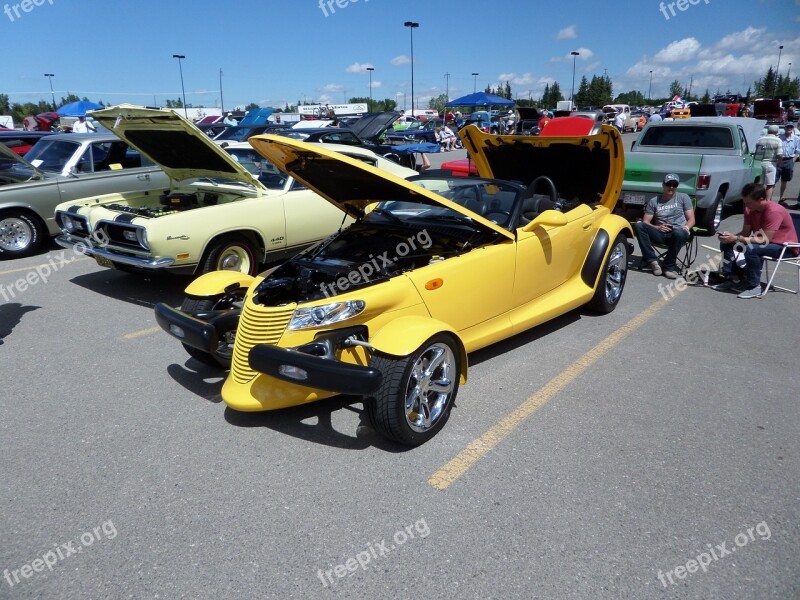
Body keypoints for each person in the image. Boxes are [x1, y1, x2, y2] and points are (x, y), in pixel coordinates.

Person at [714, 182, 799, 298]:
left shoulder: (774, 211)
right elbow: (745, 234)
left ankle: (754, 286)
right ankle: (733, 278)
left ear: (761, 199)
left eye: (749, 203)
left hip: (784, 247)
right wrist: (730, 237)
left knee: (752, 248)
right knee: (728, 244)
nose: (747, 206)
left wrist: (737, 238)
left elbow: (765, 239)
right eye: (745, 203)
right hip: (765, 243)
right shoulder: (750, 210)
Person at [633, 173, 695, 279]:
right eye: (668, 184)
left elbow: (691, 219)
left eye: (674, 185)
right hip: (660, 233)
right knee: (639, 226)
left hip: (677, 233)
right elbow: (646, 221)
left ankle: (668, 267)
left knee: (679, 233)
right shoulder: (654, 201)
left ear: (677, 186)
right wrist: (657, 227)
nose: (671, 187)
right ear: (663, 185)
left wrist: (686, 227)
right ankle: (652, 261)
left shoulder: (683, 197)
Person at [755, 124, 783, 201]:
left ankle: (758, 199)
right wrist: (779, 163)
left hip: (760, 162)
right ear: (776, 132)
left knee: (760, 184)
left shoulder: (760, 139)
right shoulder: (778, 140)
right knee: (770, 184)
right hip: (771, 163)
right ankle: (767, 201)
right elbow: (779, 154)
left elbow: (755, 152)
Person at [777, 122, 799, 205]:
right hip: (779, 159)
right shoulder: (779, 137)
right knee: (774, 179)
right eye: (787, 127)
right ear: (784, 128)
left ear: (793, 128)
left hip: (789, 160)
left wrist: (793, 160)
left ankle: (781, 198)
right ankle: (770, 199)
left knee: (785, 180)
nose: (789, 128)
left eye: (791, 127)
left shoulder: (796, 138)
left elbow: (798, 151)